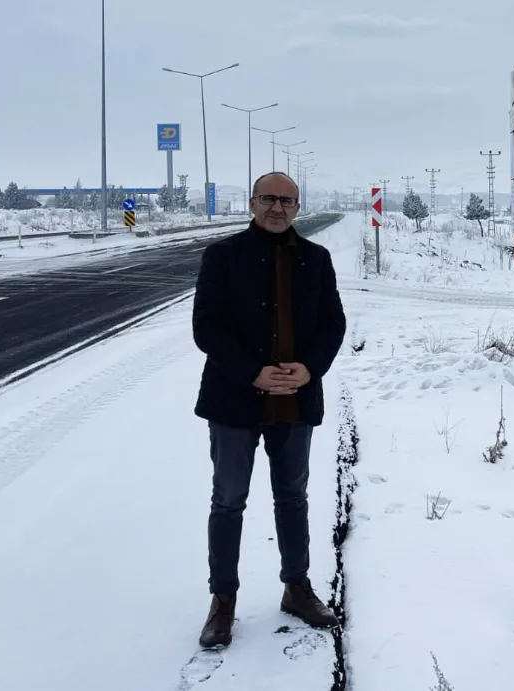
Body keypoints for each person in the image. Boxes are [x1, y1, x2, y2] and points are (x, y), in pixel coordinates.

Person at [191, 171, 346, 649]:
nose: (277, 207)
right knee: (228, 500)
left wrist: (310, 369)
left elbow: (333, 323)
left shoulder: (317, 259)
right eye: (268, 199)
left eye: (287, 200)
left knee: (292, 498)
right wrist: (251, 372)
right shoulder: (223, 256)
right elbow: (207, 327)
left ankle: (296, 588)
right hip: (235, 398)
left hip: (295, 400)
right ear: (253, 203)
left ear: (297, 208)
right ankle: (223, 602)